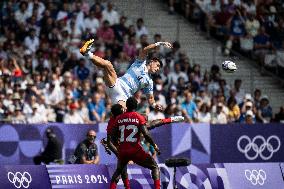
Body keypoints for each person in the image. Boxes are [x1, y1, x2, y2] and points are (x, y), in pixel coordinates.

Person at [79, 39, 172, 109]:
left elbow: (151, 100)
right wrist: (160, 43)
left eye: (159, 68)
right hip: (117, 84)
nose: (157, 68)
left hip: (123, 96)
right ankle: (87, 53)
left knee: (122, 115)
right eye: (157, 65)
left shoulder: (149, 82)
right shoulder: (140, 63)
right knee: (107, 64)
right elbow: (145, 50)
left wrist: (155, 105)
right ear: (152, 61)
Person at [108, 97, 161, 189]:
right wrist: (153, 145)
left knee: (119, 171)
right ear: (136, 106)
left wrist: (119, 145)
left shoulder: (119, 118)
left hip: (123, 150)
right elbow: (146, 134)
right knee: (154, 167)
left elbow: (112, 135)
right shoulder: (138, 117)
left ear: (126, 106)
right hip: (135, 150)